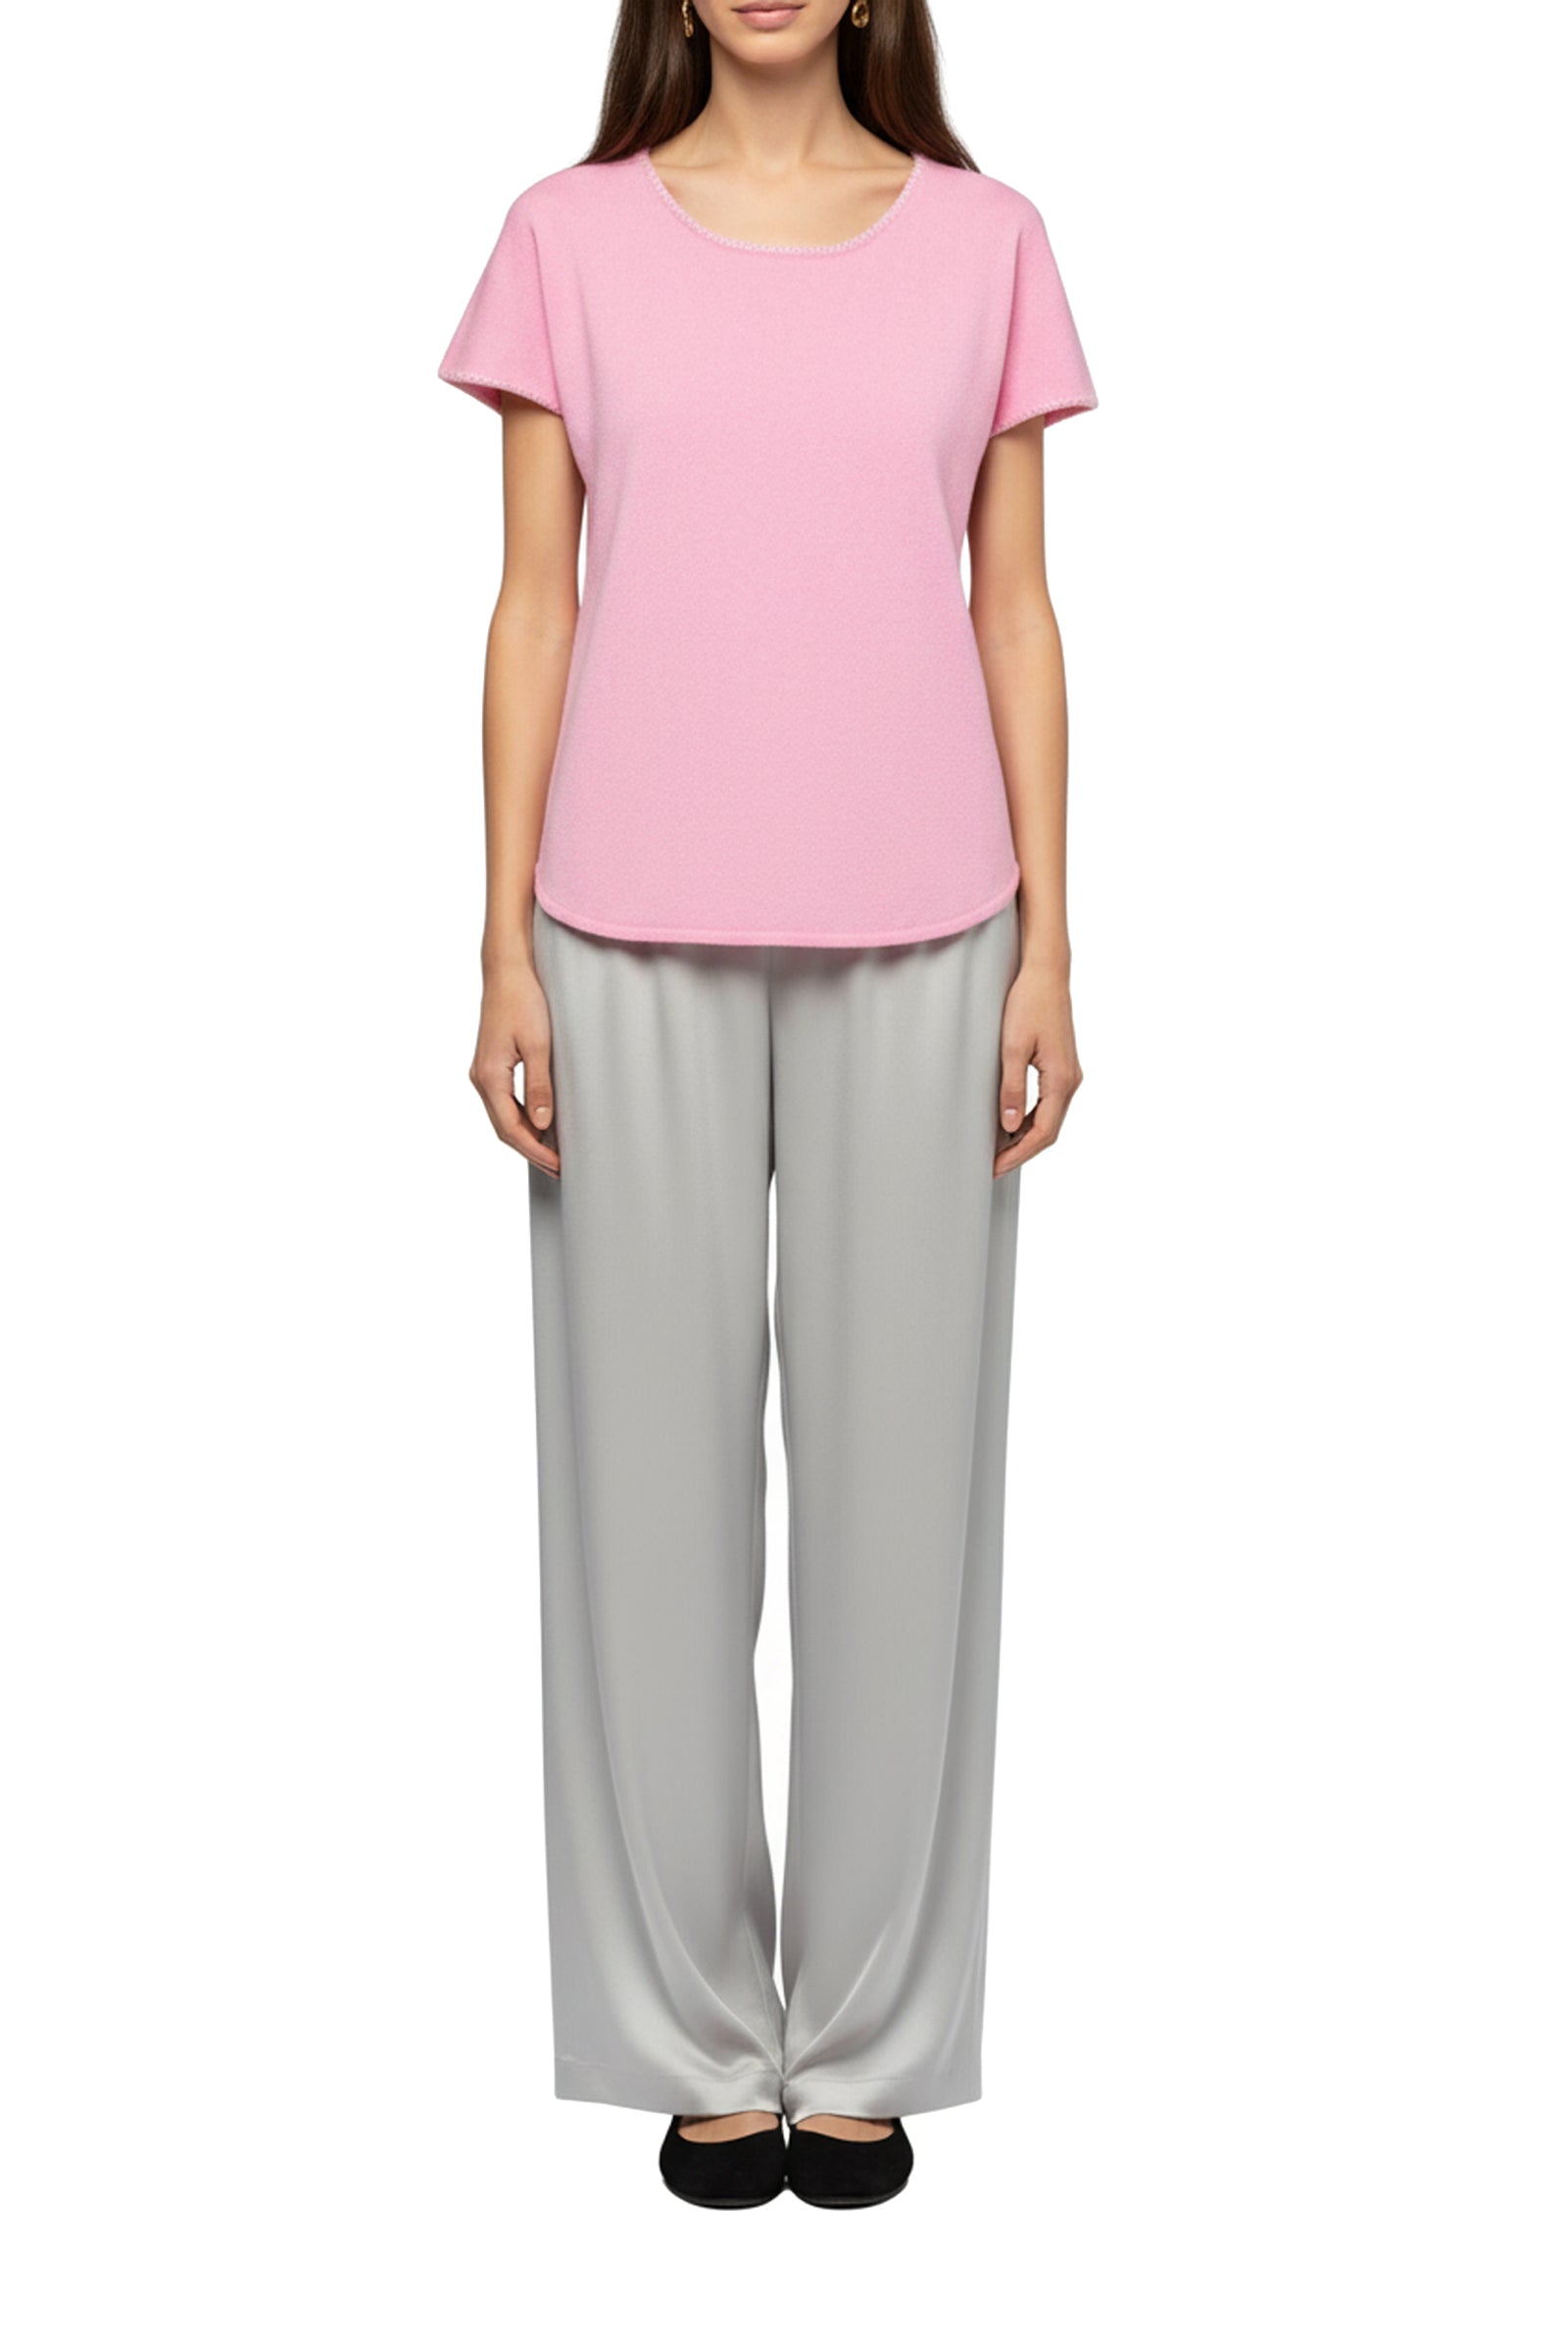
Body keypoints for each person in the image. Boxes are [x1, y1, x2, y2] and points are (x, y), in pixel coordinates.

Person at [437, 0, 1096, 2211]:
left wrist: (1053, 947)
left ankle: (874, 2040)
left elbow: (1018, 610)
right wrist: (500, 943)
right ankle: (693, 2036)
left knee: (908, 1506)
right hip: (618, 927)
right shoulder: (566, 237)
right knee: (642, 1508)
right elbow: (534, 605)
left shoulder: (990, 242)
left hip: (932, 927)